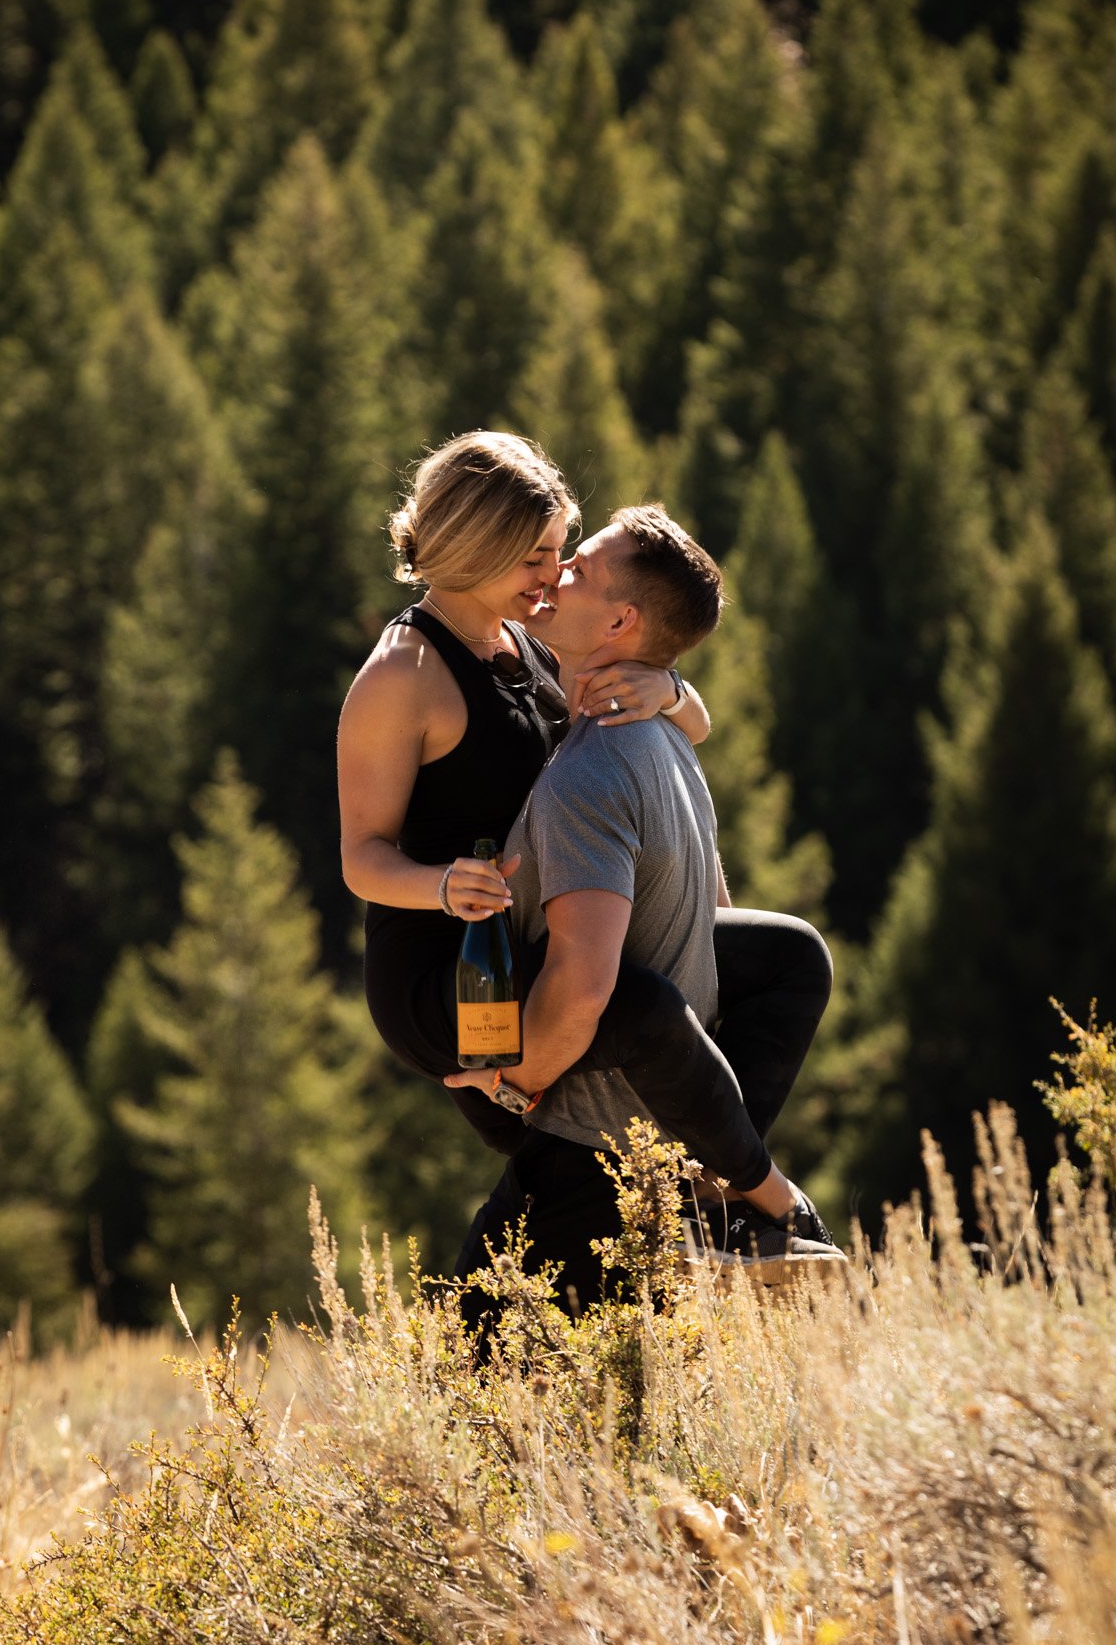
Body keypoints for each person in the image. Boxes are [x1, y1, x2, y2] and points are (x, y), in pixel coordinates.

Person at [338, 435, 835, 1277]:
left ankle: (696, 1194)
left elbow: (688, 720)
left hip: (535, 942)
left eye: (563, 552)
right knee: (630, 1012)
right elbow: (360, 858)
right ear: (479, 545)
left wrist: (669, 689)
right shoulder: (402, 675)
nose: (554, 572)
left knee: (786, 960)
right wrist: (440, 884)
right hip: (453, 976)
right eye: (538, 555)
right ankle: (757, 1196)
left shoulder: (526, 642)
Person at [445, 506, 844, 1309]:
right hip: (651, 1139)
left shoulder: (587, 776)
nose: (555, 574)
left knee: (471, 1383)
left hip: (589, 1152)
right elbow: (710, 906)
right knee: (631, 1399)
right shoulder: (661, 737)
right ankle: (721, 1199)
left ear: (621, 620)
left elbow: (585, 987)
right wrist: (672, 690)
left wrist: (514, 1088)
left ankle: (756, 1203)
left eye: (579, 570)